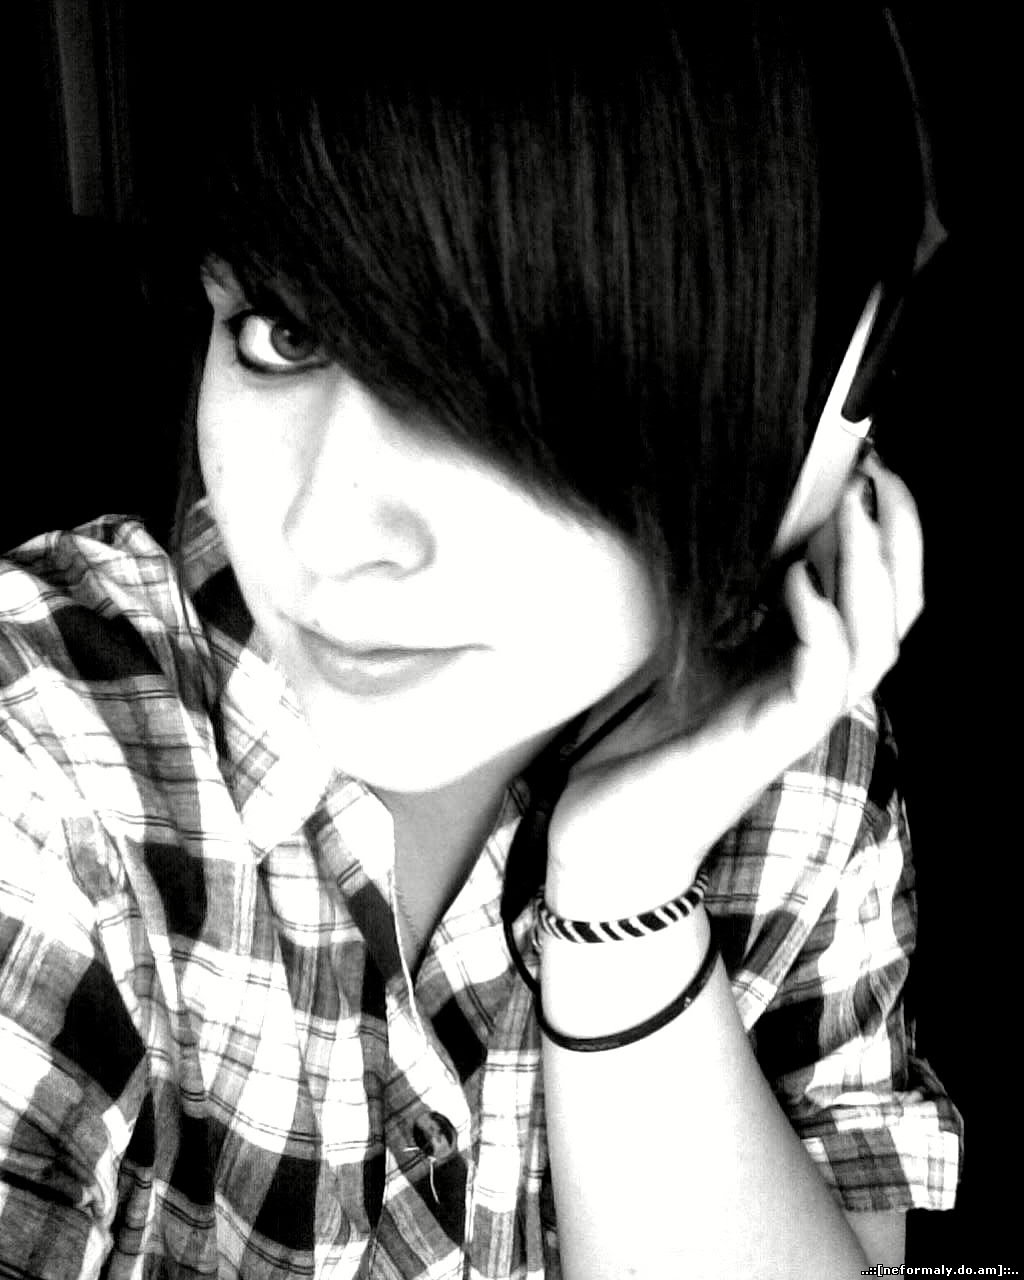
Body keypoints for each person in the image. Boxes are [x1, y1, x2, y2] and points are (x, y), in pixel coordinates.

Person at [0, 6, 961, 1276]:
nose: (327, 529)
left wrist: (626, 898)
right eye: (283, 333)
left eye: (492, 389)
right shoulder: (47, 756)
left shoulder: (798, 765)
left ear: (806, 431)